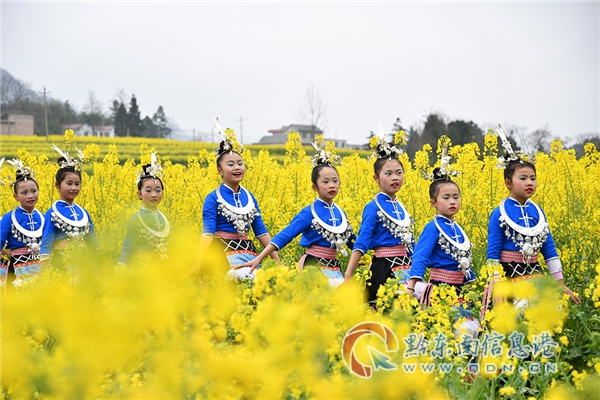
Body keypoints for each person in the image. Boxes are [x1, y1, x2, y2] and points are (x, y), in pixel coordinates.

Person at [234, 141, 354, 287]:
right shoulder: (308, 213)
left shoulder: (341, 214)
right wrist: (259, 258)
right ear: (315, 187)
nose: (331, 185)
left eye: (335, 181)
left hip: (334, 268)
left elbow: (353, 242)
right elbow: (285, 236)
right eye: (325, 181)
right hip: (313, 267)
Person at [485, 126, 580, 305]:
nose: (529, 183)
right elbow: (493, 253)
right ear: (508, 183)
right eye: (523, 178)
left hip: (535, 273)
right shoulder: (499, 213)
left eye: (533, 178)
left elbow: (549, 249)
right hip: (507, 277)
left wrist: (560, 283)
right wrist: (497, 284)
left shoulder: (538, 212)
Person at [190, 118, 279, 282]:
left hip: (248, 254)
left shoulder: (250, 198)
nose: (237, 167)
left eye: (240, 163)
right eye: (230, 164)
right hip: (220, 255)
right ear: (220, 171)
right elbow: (208, 232)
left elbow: (261, 232)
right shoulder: (213, 198)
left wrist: (278, 262)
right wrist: (198, 263)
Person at [344, 125, 414, 305]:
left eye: (399, 173)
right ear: (376, 178)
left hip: (406, 268)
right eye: (388, 174)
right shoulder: (373, 207)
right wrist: (349, 274)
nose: (395, 178)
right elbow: (362, 242)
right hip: (383, 269)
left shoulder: (402, 208)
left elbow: (411, 244)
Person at [406, 142, 475, 304]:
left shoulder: (458, 229)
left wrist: (470, 286)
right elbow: (421, 256)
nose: (452, 201)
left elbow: (464, 259)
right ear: (433, 203)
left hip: (460, 290)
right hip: (439, 289)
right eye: (446, 197)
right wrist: (411, 287)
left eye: (456, 197)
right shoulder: (432, 228)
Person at [40, 145, 101, 275]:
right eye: (69, 183)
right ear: (57, 185)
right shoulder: (52, 213)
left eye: (77, 184)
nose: (74, 188)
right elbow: (47, 242)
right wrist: (44, 272)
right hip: (61, 261)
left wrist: (101, 263)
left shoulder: (84, 213)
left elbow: (92, 240)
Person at [118, 154, 170, 267]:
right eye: (148, 190)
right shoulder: (135, 219)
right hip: (142, 269)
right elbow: (128, 248)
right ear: (139, 194)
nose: (154, 195)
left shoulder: (164, 218)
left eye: (158, 190)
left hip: (164, 271)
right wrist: (121, 268)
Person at [0, 159, 45, 288]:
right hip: (17, 269)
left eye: (34, 191)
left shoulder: (43, 217)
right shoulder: (8, 218)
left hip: (41, 267)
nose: (30, 196)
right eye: (24, 193)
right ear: (16, 196)